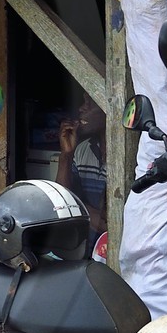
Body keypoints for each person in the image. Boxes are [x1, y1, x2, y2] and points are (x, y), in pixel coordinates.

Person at [56, 92, 106, 253]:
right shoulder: (82, 150)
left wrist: (78, 208)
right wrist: (66, 155)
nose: (81, 108)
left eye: (90, 102)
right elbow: (62, 200)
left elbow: (109, 223)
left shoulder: (131, 156)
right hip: (84, 251)